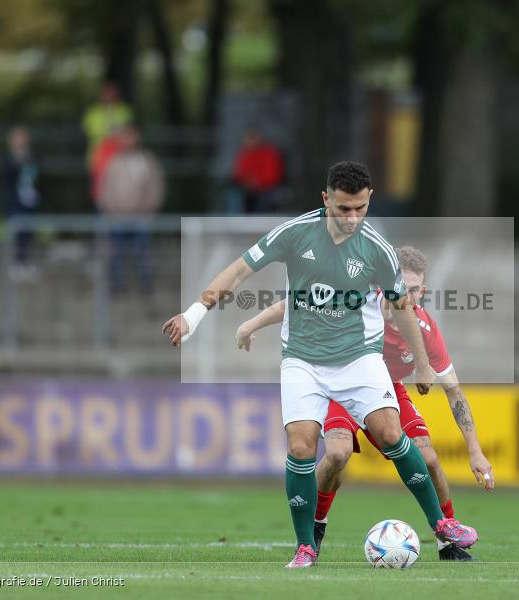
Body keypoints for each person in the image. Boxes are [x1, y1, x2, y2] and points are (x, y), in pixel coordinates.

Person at [163, 161, 478, 568]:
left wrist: (421, 364)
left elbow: (401, 306)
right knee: (301, 445)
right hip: (303, 360)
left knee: (390, 432)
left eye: (361, 208)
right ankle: (305, 546)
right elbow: (240, 270)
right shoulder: (295, 233)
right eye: (344, 208)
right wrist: (194, 314)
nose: (352, 218)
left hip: (359, 358)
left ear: (370, 200)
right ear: (326, 199)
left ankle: (440, 524)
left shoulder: (377, 249)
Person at [234, 245, 494, 561]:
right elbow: (296, 302)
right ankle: (315, 528)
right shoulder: (358, 298)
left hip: (388, 389)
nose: (406, 296)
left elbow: (454, 391)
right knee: (337, 454)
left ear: (423, 291)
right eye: (402, 287)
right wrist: (250, 324)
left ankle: (447, 540)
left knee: (428, 458)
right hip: (342, 382)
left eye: (414, 290)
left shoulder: (424, 330)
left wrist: (475, 450)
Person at [97, 126, 165, 295]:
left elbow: (156, 186)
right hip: (118, 217)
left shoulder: (147, 160)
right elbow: (105, 187)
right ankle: (117, 286)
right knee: (116, 252)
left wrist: (150, 208)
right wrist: (110, 209)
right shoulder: (114, 161)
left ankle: (144, 286)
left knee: (143, 252)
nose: (128, 140)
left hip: (142, 217)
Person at [2, 126, 40, 279]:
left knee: (28, 232)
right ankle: (16, 261)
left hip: (29, 201)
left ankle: (26, 260)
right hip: (14, 201)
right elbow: (7, 179)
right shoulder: (8, 158)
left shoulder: (31, 157)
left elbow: (36, 177)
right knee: (16, 232)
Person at [229, 128, 285, 213]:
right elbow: (238, 174)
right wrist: (247, 182)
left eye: (253, 138)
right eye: (248, 138)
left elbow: (274, 175)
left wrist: (258, 182)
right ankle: (236, 218)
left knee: (267, 196)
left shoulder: (269, 153)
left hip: (265, 188)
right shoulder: (243, 154)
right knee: (234, 195)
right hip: (247, 189)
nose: (250, 141)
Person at [82, 81, 133, 169]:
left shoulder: (124, 110)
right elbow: (91, 132)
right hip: (99, 154)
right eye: (107, 93)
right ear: (101, 95)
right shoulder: (92, 112)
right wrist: (113, 133)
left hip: (122, 153)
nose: (110, 96)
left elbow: (130, 131)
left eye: (113, 93)